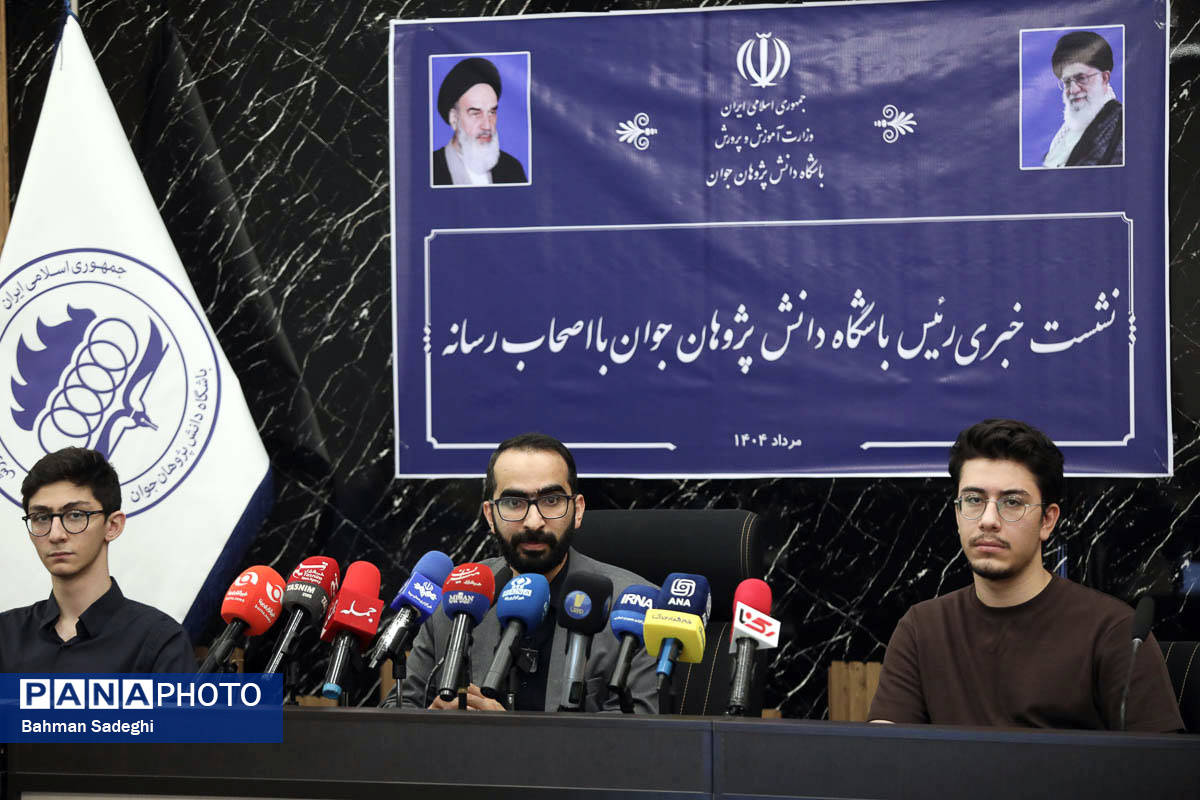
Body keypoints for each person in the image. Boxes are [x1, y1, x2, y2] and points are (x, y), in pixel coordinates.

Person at [868, 419, 1182, 731]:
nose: (988, 520)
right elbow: (885, 752)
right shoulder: (921, 629)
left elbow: (1156, 759)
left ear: (1047, 521)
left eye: (1012, 502)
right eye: (974, 500)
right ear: (957, 513)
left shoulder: (1114, 630)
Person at [391, 433, 658, 712]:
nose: (533, 521)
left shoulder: (634, 610)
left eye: (551, 500)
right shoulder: (456, 595)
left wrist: (508, 733)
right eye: (514, 503)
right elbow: (397, 709)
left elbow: (636, 732)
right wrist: (431, 724)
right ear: (490, 516)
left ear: (577, 510)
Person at [0, 447, 195, 672]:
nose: (55, 534)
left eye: (75, 515)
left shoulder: (160, 642)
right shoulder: (5, 636)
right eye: (41, 518)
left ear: (113, 526)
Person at [432, 57, 528, 186]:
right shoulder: (429, 169)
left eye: (492, 112)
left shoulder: (512, 169)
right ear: (454, 118)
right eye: (476, 113)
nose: (487, 126)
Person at [1042, 31, 1123, 167]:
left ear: (1104, 78)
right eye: (1067, 82)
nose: (1073, 90)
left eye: (1081, 78)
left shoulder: (1122, 127)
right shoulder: (1062, 135)